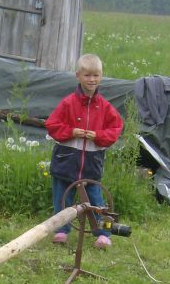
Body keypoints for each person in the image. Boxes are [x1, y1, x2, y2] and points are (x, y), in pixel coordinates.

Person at [45, 53, 124, 249]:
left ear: (101, 77)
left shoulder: (105, 107)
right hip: (65, 163)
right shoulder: (68, 103)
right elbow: (52, 125)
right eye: (87, 75)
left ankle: (104, 234)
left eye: (96, 75)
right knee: (62, 199)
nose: (92, 79)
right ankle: (62, 231)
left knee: (96, 201)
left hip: (91, 164)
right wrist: (71, 131)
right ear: (78, 76)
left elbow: (115, 129)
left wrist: (96, 135)